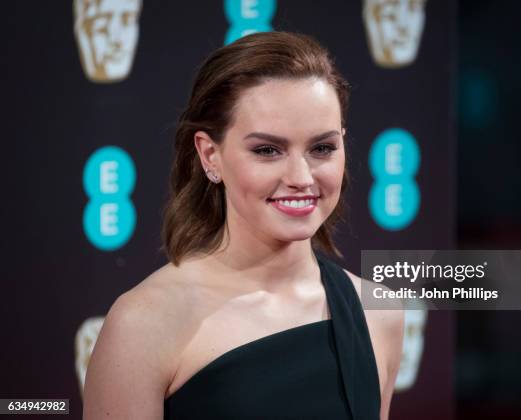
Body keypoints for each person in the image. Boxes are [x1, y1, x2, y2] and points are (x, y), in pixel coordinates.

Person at [83, 31, 404, 420]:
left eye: (322, 148)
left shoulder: (379, 312)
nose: (301, 176)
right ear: (210, 155)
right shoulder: (143, 324)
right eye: (267, 150)